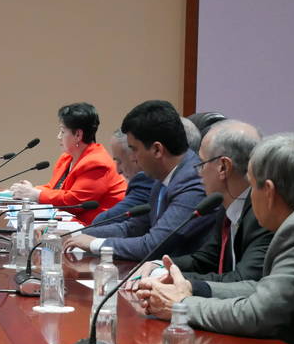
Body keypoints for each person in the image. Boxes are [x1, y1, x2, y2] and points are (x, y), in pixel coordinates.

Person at [137, 134, 294, 344]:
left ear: (269, 191)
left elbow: (261, 314)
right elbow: (264, 289)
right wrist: (192, 289)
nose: (249, 196)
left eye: (251, 185)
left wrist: (181, 304)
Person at [130, 120, 272, 295]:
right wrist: (160, 266)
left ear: (223, 167)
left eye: (202, 163)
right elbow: (206, 260)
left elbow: (242, 281)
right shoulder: (226, 205)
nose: (198, 172)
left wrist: (178, 281)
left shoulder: (263, 215)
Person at [63, 100, 218, 260]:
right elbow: (133, 228)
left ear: (157, 150)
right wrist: (74, 235)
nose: (133, 158)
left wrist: (95, 244)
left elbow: (153, 245)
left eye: (134, 149)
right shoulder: (162, 178)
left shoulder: (193, 181)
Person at [9, 102, 126, 224]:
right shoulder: (67, 158)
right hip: (72, 224)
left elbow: (75, 202)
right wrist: (29, 190)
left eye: (62, 131)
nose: (58, 136)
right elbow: (55, 189)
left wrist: (36, 194)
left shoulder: (97, 163)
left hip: (98, 227)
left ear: (78, 135)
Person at [92, 129, 155, 224]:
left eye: (119, 161)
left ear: (135, 156)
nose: (118, 171)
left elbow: (101, 222)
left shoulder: (145, 181)